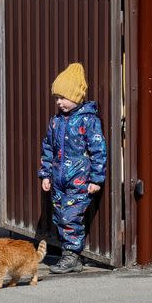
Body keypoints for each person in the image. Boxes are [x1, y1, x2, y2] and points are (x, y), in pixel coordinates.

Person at [38, 63, 107, 274]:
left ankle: (71, 256)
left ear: (76, 96)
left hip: (80, 181)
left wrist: (96, 179)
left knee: (70, 218)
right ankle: (72, 259)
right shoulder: (56, 122)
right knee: (59, 217)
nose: (59, 102)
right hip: (59, 180)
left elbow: (98, 150)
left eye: (63, 97)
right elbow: (48, 148)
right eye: (56, 98)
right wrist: (45, 174)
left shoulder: (89, 120)